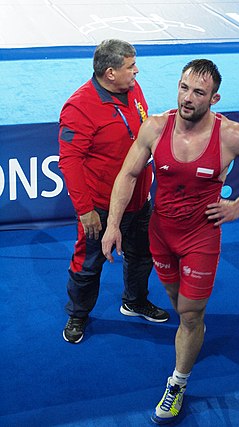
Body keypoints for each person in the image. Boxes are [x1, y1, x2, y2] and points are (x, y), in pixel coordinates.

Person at [101, 59, 239, 423]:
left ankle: (178, 383)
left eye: (198, 92)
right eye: (184, 88)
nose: (187, 98)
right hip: (161, 234)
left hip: (201, 237)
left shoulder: (231, 135)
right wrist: (112, 225)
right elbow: (128, 174)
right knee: (179, 304)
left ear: (214, 98)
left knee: (190, 313)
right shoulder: (154, 127)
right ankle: (193, 326)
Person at [58, 39, 169, 345]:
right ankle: (78, 313)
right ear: (110, 73)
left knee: (141, 254)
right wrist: (85, 210)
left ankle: (134, 301)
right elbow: (70, 161)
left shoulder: (133, 90)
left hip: (139, 198)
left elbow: (143, 131)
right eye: (131, 66)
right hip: (100, 206)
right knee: (89, 263)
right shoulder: (79, 107)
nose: (137, 71)